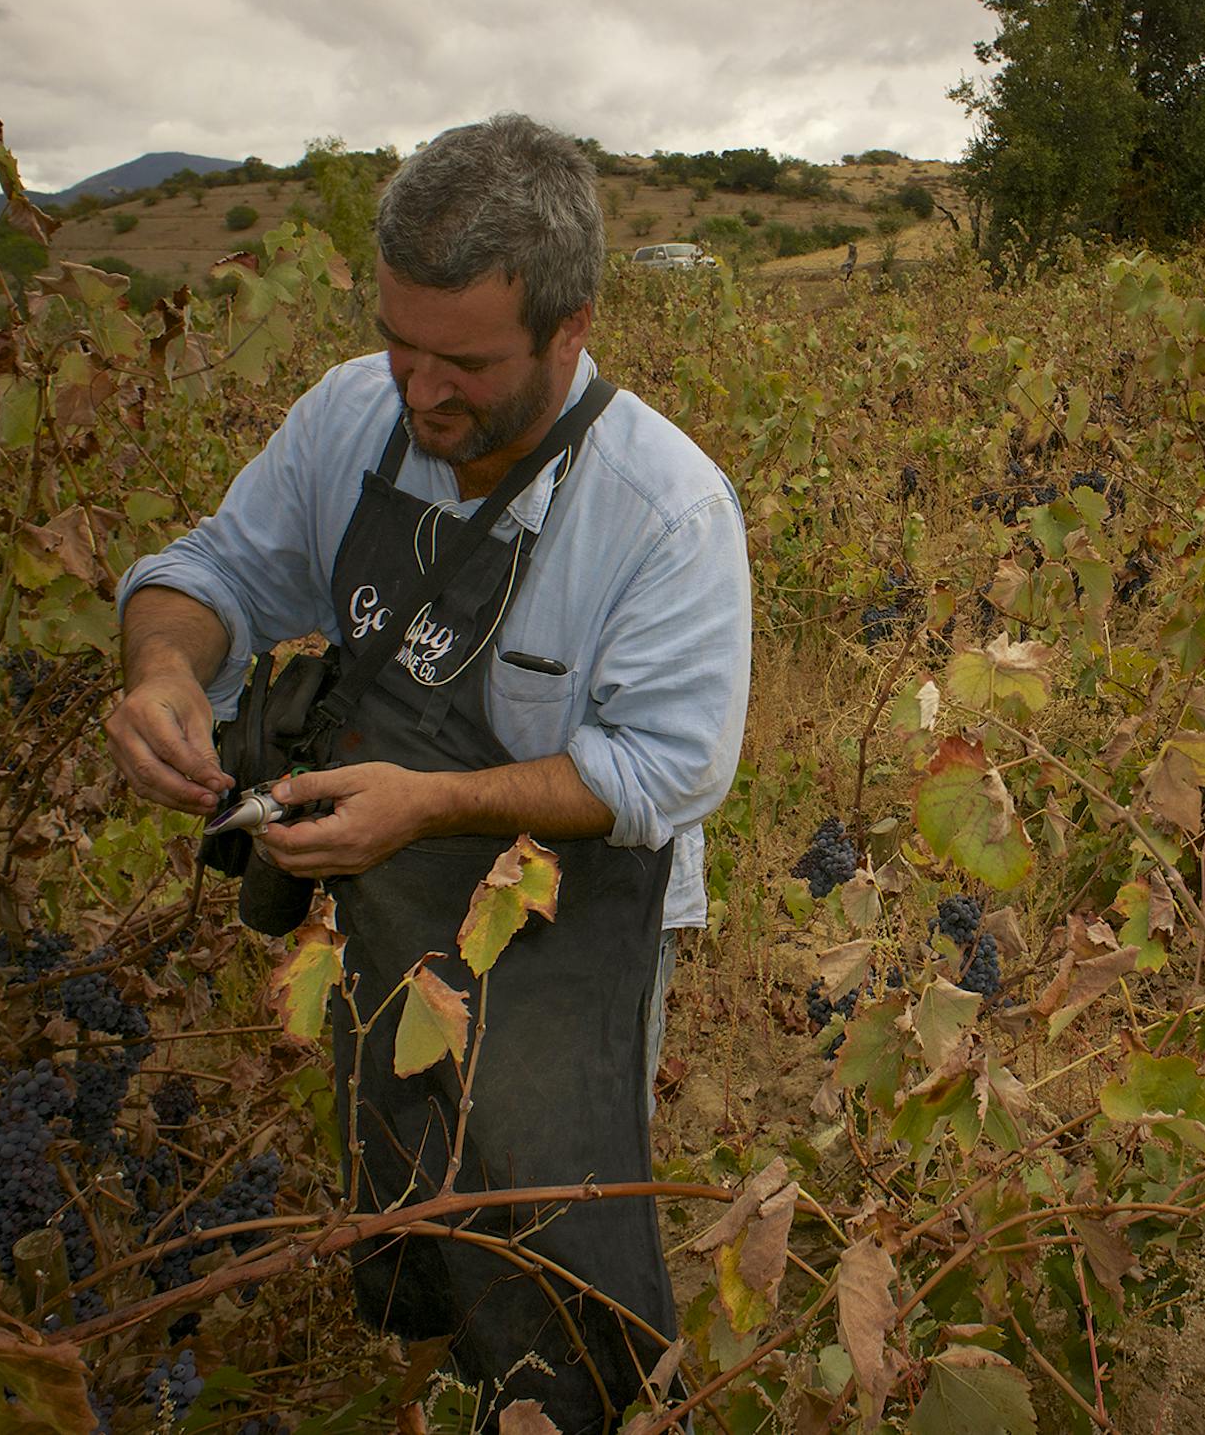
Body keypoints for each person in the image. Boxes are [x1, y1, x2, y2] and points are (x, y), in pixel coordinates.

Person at [105, 115, 751, 1430]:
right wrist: (167, 670)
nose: (421, 391)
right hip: (384, 893)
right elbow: (212, 573)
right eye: (401, 343)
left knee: (552, 1214)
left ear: (569, 333)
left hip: (577, 917)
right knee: (406, 1160)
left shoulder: (665, 516)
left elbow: (662, 773)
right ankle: (441, 1373)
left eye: (464, 362)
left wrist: (433, 805)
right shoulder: (355, 415)